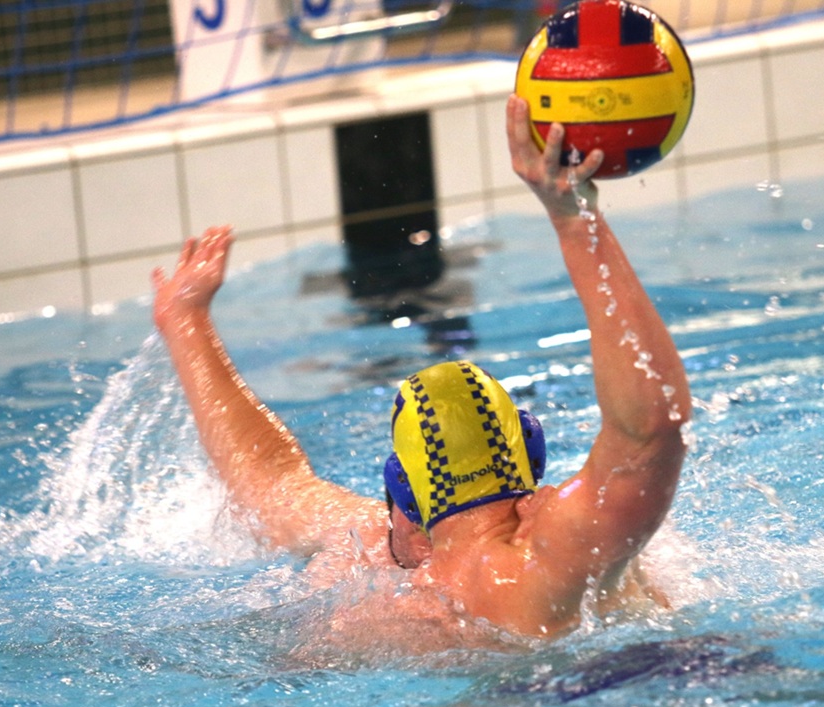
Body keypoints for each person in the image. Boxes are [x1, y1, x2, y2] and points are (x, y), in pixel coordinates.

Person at [151, 94, 692, 643]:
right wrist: (575, 219)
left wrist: (186, 321)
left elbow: (268, 482)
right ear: (529, 459)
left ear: (403, 496)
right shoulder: (558, 559)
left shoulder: (372, 563)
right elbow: (649, 430)